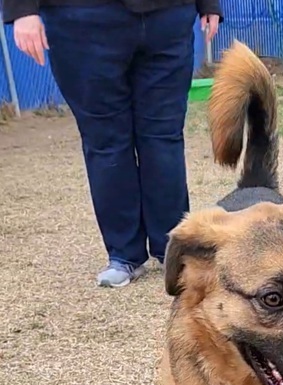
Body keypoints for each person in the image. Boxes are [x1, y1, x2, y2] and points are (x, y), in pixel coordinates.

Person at [4, 0, 223, 287]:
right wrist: (23, 11)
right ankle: (124, 253)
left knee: (164, 135)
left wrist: (209, 3)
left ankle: (173, 247)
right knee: (106, 140)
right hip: (82, 19)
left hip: (167, 16)